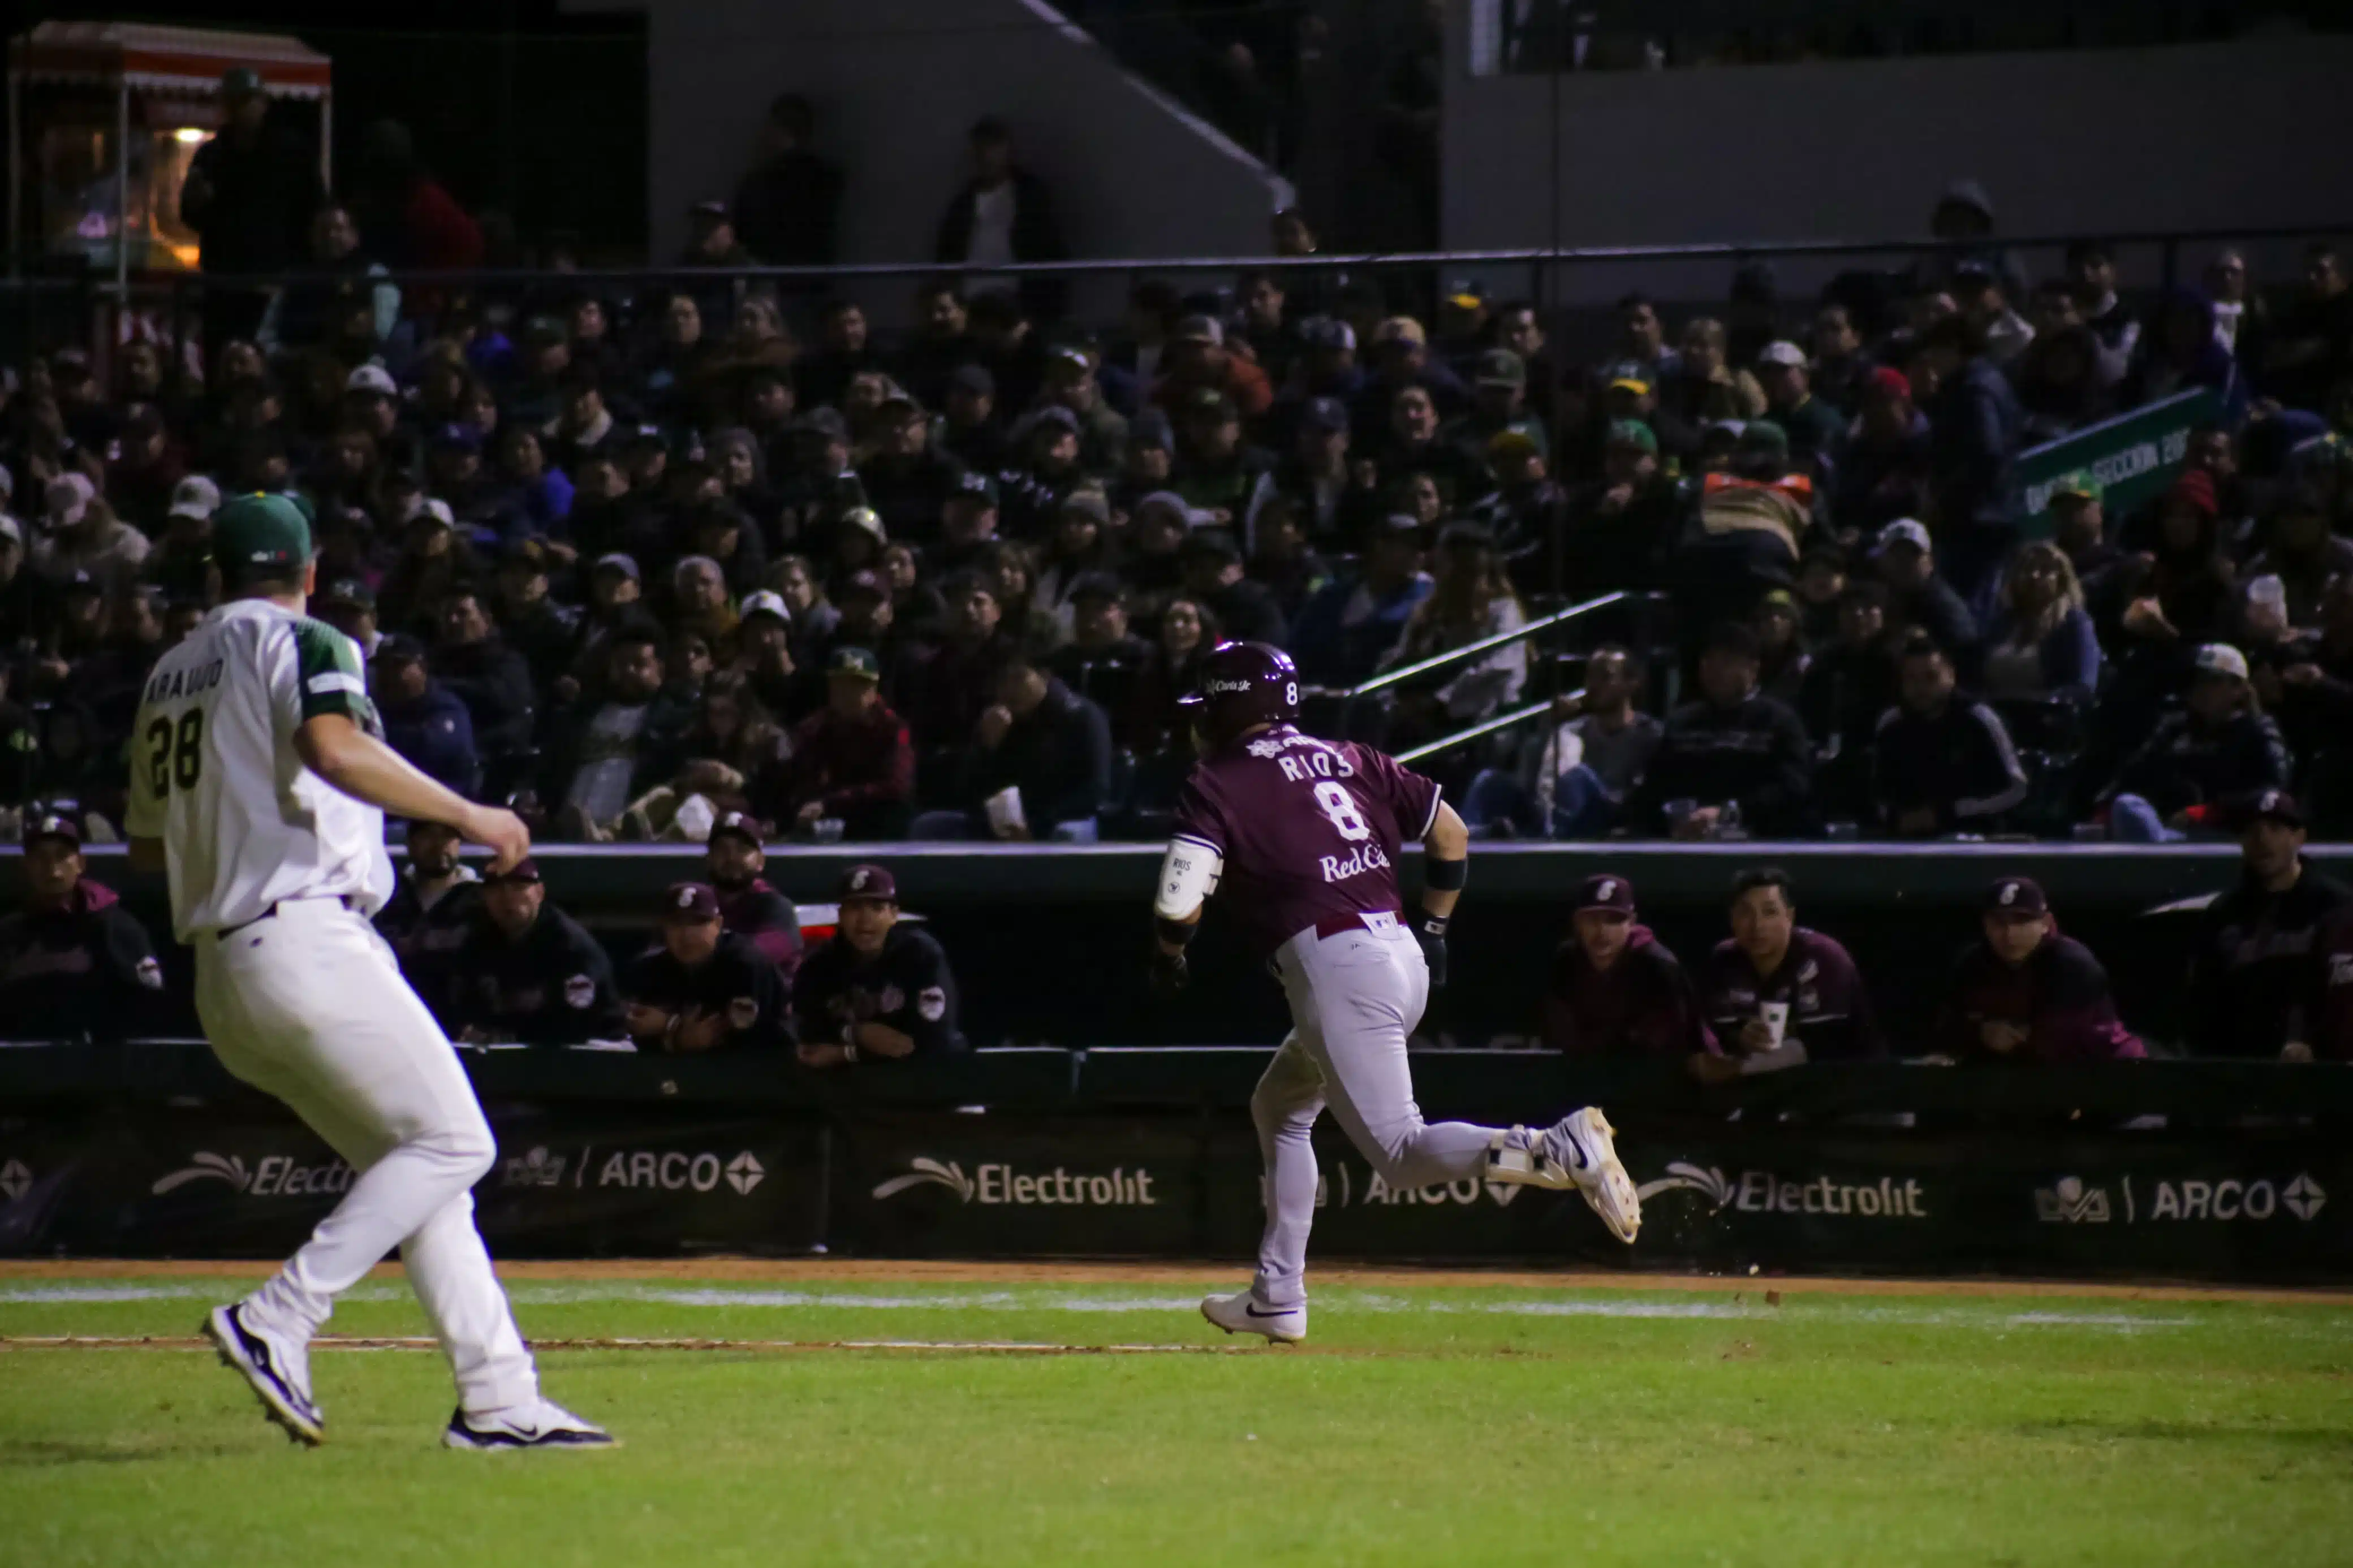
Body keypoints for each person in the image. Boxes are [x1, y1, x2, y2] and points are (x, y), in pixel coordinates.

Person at [120, 492, 607, 1449]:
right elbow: (333, 746)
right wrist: (472, 816)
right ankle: (281, 1316)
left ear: (214, 576)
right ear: (307, 575)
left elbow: (145, 847)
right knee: (457, 1142)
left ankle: (499, 1398)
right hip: (304, 937)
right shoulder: (308, 642)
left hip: (224, 971)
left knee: (424, 1168)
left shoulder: (169, 674)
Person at [1155, 643, 1638, 1344]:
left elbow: (1177, 902)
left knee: (1399, 1151)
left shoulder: (1218, 778)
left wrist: (1168, 952)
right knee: (1281, 1105)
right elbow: (1451, 831)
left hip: (1335, 965)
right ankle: (1276, 1294)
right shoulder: (1352, 756)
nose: (1200, 722)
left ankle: (1553, 1148)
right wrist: (1437, 927)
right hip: (1398, 951)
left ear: (1233, 703)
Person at [2184, 791, 2350, 1059]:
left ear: (2299, 837)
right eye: (2252, 831)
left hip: (2320, 1077)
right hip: (2239, 1076)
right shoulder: (2224, 913)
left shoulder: (2337, 907)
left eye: (2275, 829)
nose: (2263, 840)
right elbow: (2202, 1006)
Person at [179, 68, 325, 343]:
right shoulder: (212, 155)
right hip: (223, 285)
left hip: (275, 283)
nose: (240, 110)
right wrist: (198, 202)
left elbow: (314, 210)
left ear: (263, 103)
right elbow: (190, 216)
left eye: (247, 101)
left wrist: (300, 271)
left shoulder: (291, 153)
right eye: (233, 102)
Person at [1629, 621, 1813, 840]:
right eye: (1708, 662)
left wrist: (1729, 812)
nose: (1714, 671)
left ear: (1753, 669)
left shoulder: (1779, 720)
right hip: (1685, 840)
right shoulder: (1682, 722)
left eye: (1726, 662)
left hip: (1759, 840)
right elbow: (1655, 786)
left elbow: (1794, 787)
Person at [1932, 878, 2143, 1063]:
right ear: (1985, 925)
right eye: (1999, 922)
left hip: (2106, 1073)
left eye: (2022, 921)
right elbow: (1945, 1028)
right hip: (2019, 1081)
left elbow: (2062, 1043)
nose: (2010, 934)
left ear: (2046, 923)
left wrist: (1997, 1036)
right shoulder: (1972, 964)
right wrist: (1981, 1033)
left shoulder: (2071, 964)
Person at [1461, 644, 1660, 840]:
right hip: (1552, 814)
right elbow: (1531, 782)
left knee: (1578, 776)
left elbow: (1640, 797)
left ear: (1632, 684)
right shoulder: (1573, 729)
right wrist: (1550, 727)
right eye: (1590, 676)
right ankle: (1465, 842)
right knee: (1490, 780)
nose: (1594, 684)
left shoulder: (1648, 733)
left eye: (1605, 677)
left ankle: (1552, 845)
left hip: (1606, 817)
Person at [911, 648, 1111, 843]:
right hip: (1006, 824)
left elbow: (1095, 790)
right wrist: (986, 748)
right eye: (1002, 681)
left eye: (1018, 678)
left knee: (1068, 834)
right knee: (929, 826)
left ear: (1044, 675)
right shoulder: (999, 720)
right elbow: (969, 794)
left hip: (1059, 819)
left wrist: (1036, 823)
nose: (1009, 689)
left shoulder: (1082, 716)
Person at [1696, 867, 1880, 1079]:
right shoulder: (1723, 960)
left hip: (1847, 1085)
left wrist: (1739, 1068)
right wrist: (1739, 1038)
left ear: (1790, 916)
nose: (1757, 926)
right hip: (1762, 1089)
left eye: (1770, 912)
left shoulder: (1823, 956)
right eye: (1746, 912)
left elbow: (1826, 1045)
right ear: (1732, 919)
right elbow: (1710, 1031)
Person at [0, 811, 164, 1043]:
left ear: (81, 863)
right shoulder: (9, 934)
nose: (52, 867)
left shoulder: (116, 927)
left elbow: (149, 1004)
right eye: (41, 857)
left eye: (62, 855)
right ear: (26, 866)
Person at [2101, 645, 2293, 842]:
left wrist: (2211, 812)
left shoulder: (2259, 730)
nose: (2201, 689)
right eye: (2197, 680)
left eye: (2212, 681)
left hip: (2229, 836)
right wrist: (2105, 807)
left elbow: (2274, 792)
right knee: (2128, 807)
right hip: (2171, 828)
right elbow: (2134, 773)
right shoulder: (2174, 729)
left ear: (2238, 689)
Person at [793, 864, 967, 1066]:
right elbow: (806, 1034)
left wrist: (847, 1053)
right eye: (855, 908)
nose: (866, 919)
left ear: (894, 915)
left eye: (877, 908)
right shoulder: (819, 965)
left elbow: (934, 1039)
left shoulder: (920, 955)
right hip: (848, 1088)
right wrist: (857, 1032)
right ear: (840, 916)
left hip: (924, 1080)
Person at [445, 859, 626, 1049]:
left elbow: (574, 1025)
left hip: (592, 1054)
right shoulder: (478, 941)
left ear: (540, 893)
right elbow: (464, 1006)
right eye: (497, 889)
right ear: (484, 897)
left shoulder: (571, 947)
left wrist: (506, 1034)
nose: (507, 897)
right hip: (514, 1054)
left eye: (519, 887)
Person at [1539, 874, 1715, 1059]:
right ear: (1577, 922)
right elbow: (1558, 1035)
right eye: (1592, 919)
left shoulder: (1657, 966)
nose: (1602, 931)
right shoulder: (1567, 961)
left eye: (1614, 920)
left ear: (1632, 923)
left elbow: (1676, 1046)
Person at [1868, 636, 2029, 837]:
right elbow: (1879, 793)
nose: (1921, 688)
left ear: (1951, 676)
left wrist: (1951, 812)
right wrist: (1898, 817)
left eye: (1931, 677)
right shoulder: (1891, 723)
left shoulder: (1979, 719)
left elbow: (2016, 788)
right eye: (1911, 679)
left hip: (1975, 836)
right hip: (1907, 840)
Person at [764, 646, 916, 841]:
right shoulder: (815, 727)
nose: (848, 693)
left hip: (872, 818)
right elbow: (796, 775)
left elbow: (897, 786)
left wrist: (830, 803)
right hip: (826, 817)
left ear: (874, 689)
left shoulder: (895, 729)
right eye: (841, 685)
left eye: (858, 685)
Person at [620, 883, 791, 1053]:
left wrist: (670, 1025)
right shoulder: (649, 969)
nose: (687, 934)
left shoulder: (745, 965)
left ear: (718, 924)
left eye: (698, 922)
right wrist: (679, 1039)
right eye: (677, 923)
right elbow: (638, 1037)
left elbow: (744, 1040)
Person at [934, 118, 1066, 321]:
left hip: (1017, 297)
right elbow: (948, 251)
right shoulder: (964, 203)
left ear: (1008, 151)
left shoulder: (1028, 195)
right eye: (981, 148)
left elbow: (1047, 245)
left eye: (993, 147)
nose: (987, 155)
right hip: (973, 297)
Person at [1285, 515, 1433, 690]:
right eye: (1407, 544)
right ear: (1378, 546)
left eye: (1419, 547)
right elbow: (1298, 647)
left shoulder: (1425, 596)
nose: (1416, 554)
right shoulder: (1331, 597)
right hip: (1315, 697)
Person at [372, 819, 481, 1021]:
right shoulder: (386, 897)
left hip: (462, 1025)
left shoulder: (482, 901)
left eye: (448, 836)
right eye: (428, 835)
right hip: (394, 1017)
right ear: (410, 843)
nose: (439, 844)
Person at [730, 93, 842, 266]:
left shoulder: (758, 184)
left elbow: (744, 235)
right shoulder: (826, 178)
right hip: (810, 276)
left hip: (773, 275)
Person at [1981, 542, 2101, 702]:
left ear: (2062, 581)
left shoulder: (2074, 624)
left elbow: (2083, 687)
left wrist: (2034, 701)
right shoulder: (2002, 621)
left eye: (2045, 570)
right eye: (2027, 569)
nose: (2034, 576)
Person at [370, 636, 481, 799]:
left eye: (399, 665)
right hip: (393, 803)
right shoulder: (376, 707)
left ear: (422, 667)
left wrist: (384, 740)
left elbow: (441, 748)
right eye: (383, 667)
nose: (389, 674)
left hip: (447, 803)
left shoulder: (445, 705)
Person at [703, 810, 803, 976]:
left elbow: (754, 957)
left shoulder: (776, 907)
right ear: (709, 859)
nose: (731, 857)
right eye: (722, 849)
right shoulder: (700, 903)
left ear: (760, 862)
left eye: (742, 849)